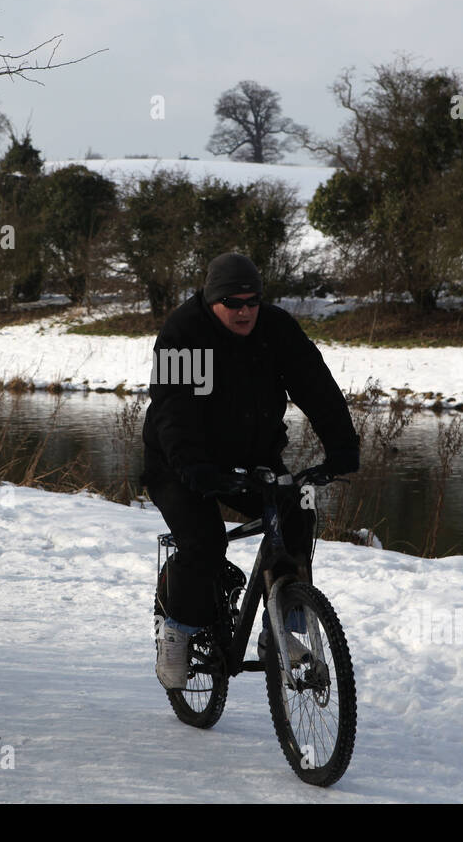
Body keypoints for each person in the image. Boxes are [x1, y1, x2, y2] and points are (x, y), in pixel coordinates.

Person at [142, 251, 360, 689]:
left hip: (251, 456)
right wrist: (194, 468)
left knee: (296, 515)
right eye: (233, 302)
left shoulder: (277, 329)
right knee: (204, 542)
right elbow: (173, 411)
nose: (244, 311)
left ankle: (279, 626)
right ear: (211, 299)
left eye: (252, 301)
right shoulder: (183, 333)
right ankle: (177, 632)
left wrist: (342, 449)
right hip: (178, 461)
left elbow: (317, 388)